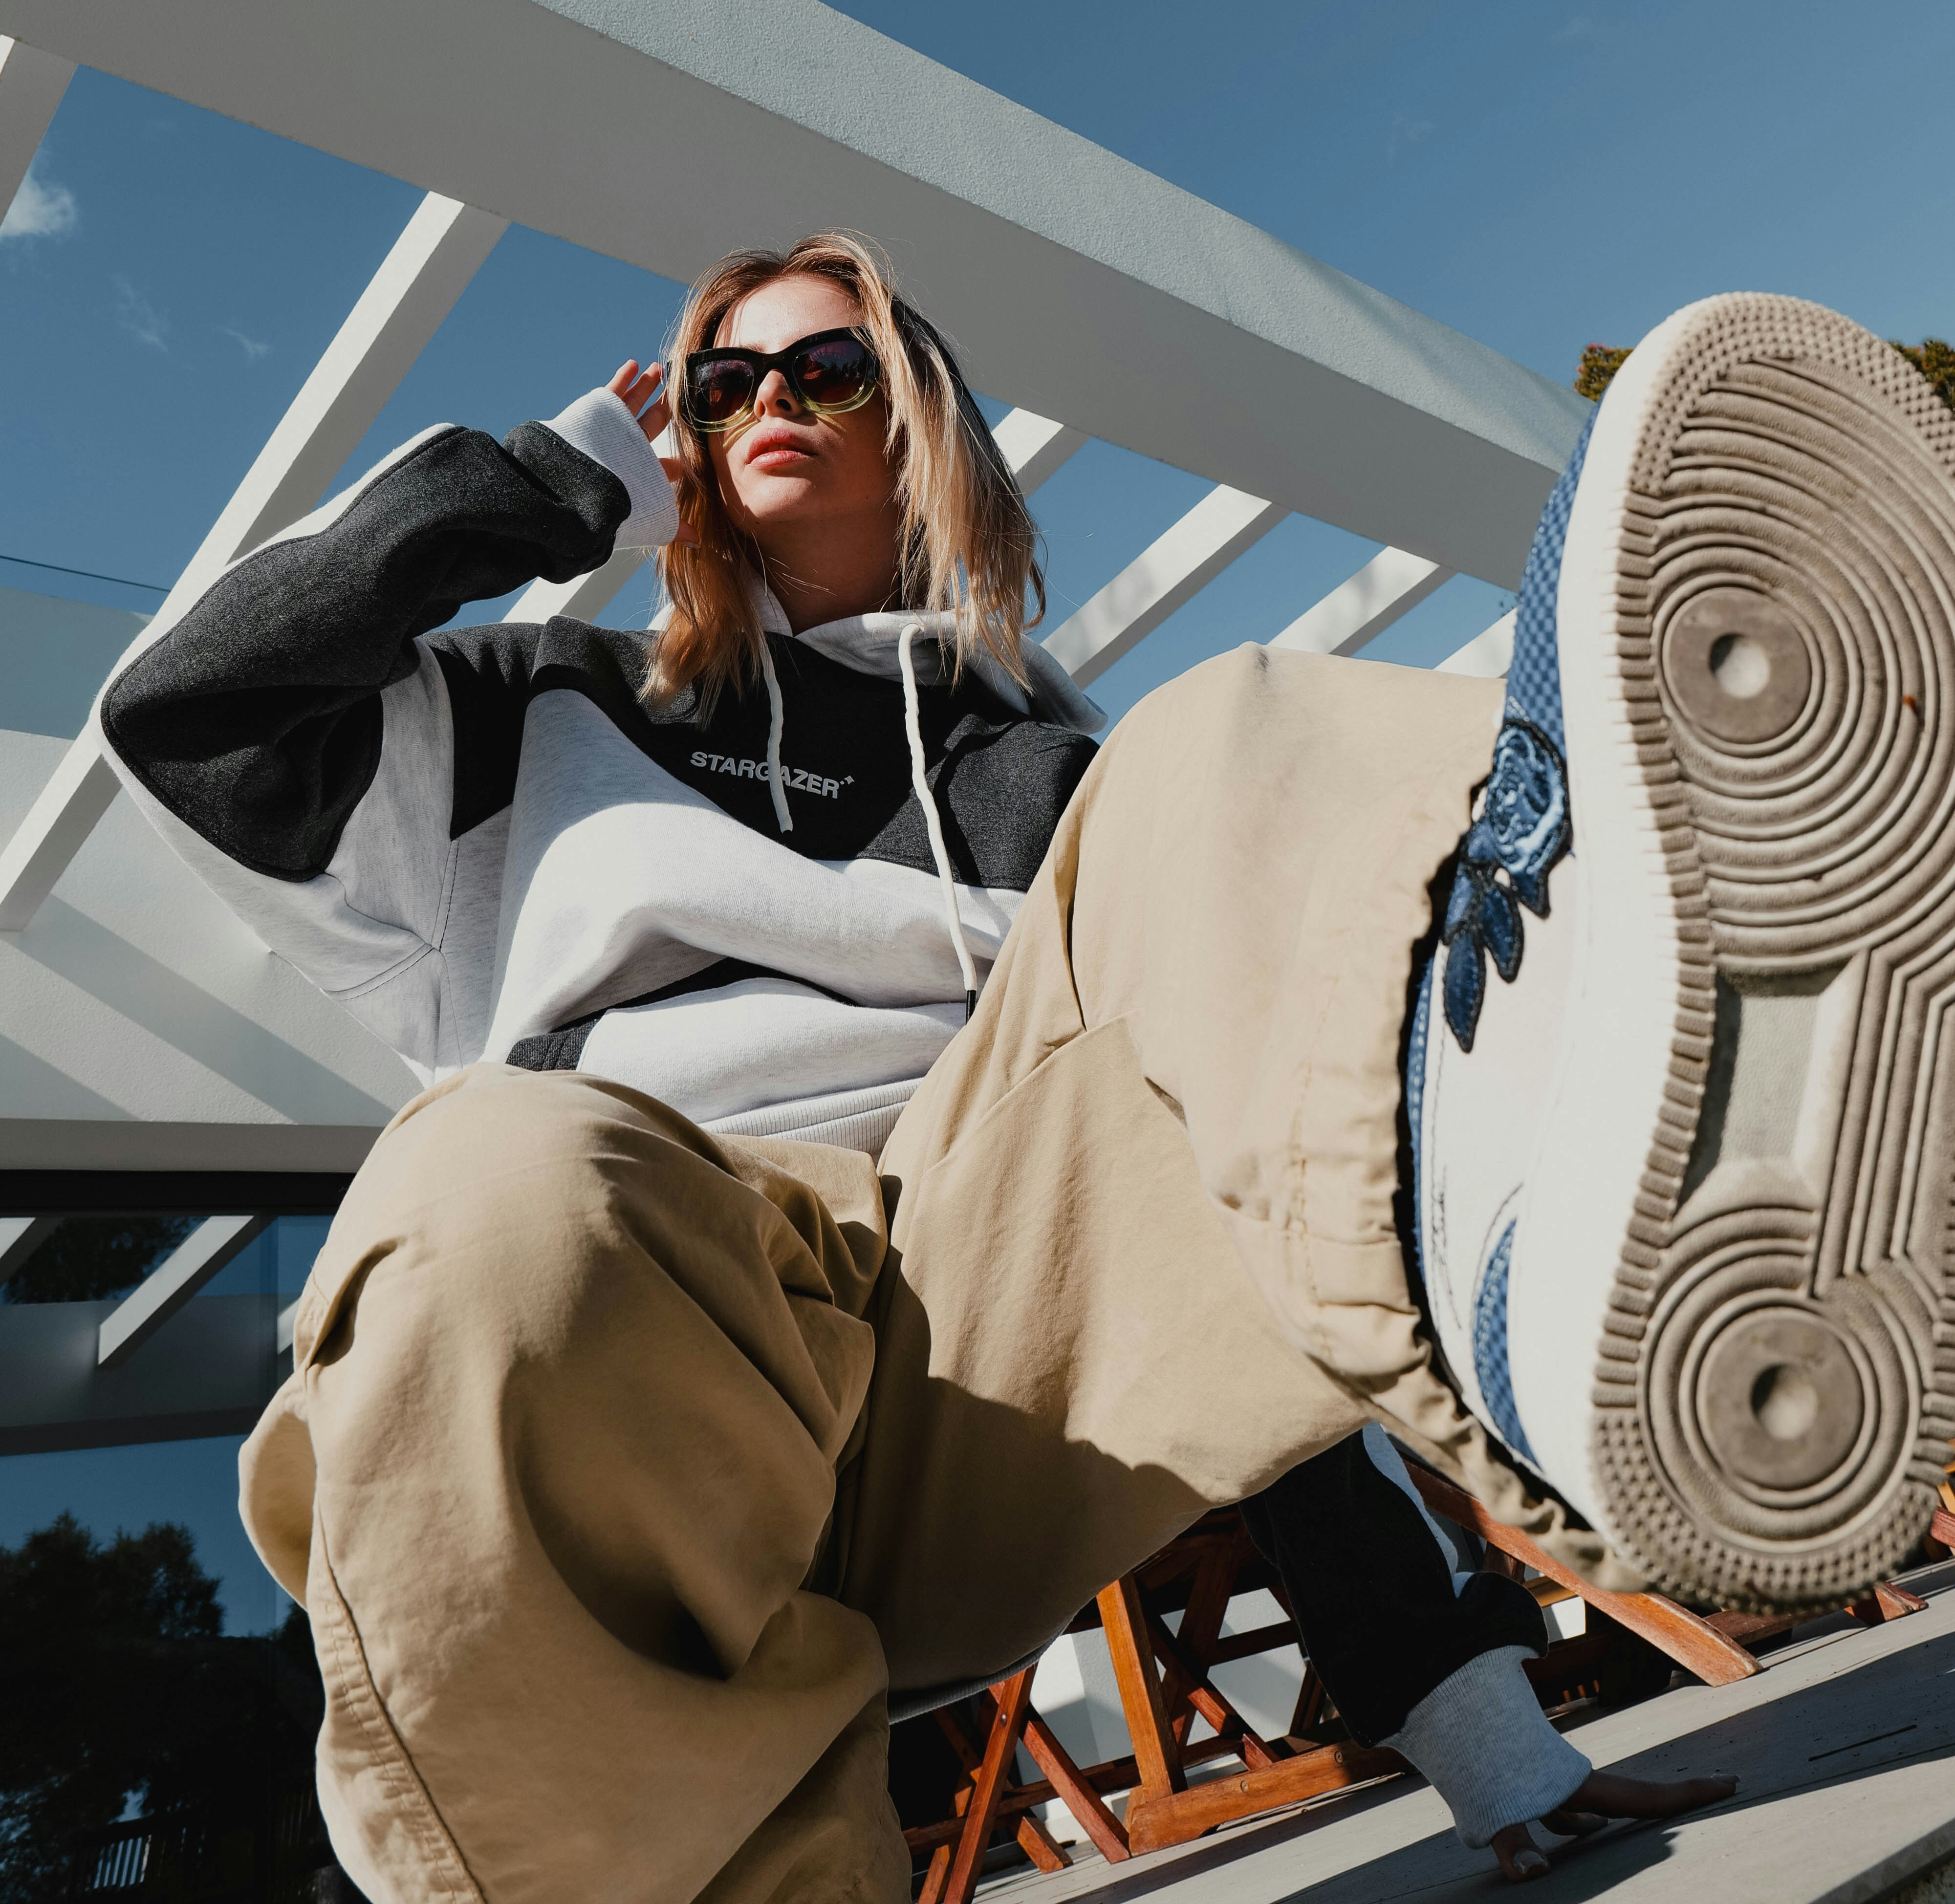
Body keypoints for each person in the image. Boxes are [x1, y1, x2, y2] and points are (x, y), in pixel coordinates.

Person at [100, 242, 1953, 1900]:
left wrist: (1502, 1762)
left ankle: (1593, 1140)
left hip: (984, 1333)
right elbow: (187, 716)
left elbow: (1232, 1216)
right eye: (726, 379)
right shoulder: (529, 710)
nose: (768, 399)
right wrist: (549, 480)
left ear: (923, 424)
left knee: (1227, 740)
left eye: (828, 368)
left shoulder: (1057, 779)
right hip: (651, 1299)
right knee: (490, 1174)